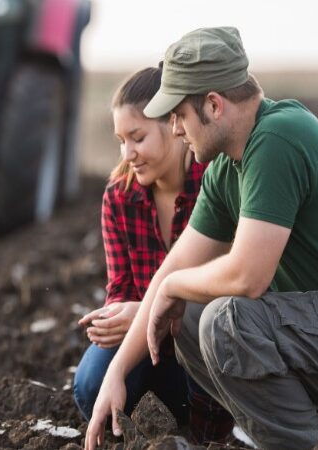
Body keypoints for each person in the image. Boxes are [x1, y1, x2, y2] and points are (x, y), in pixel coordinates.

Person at [85, 27, 318, 450]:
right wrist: (116, 374)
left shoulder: (278, 139)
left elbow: (247, 277)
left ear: (214, 106)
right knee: (189, 320)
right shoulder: (225, 169)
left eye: (179, 115)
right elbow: (174, 268)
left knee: (226, 321)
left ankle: (316, 445)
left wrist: (172, 287)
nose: (177, 130)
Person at [73, 65, 234, 444]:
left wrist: (147, 311)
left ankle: (204, 431)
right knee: (90, 384)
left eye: (138, 137)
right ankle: (148, 429)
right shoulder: (119, 196)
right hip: (145, 347)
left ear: (175, 125)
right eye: (120, 141)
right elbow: (120, 286)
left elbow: (228, 286)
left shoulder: (214, 183)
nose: (128, 153)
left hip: (205, 346)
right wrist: (121, 313)